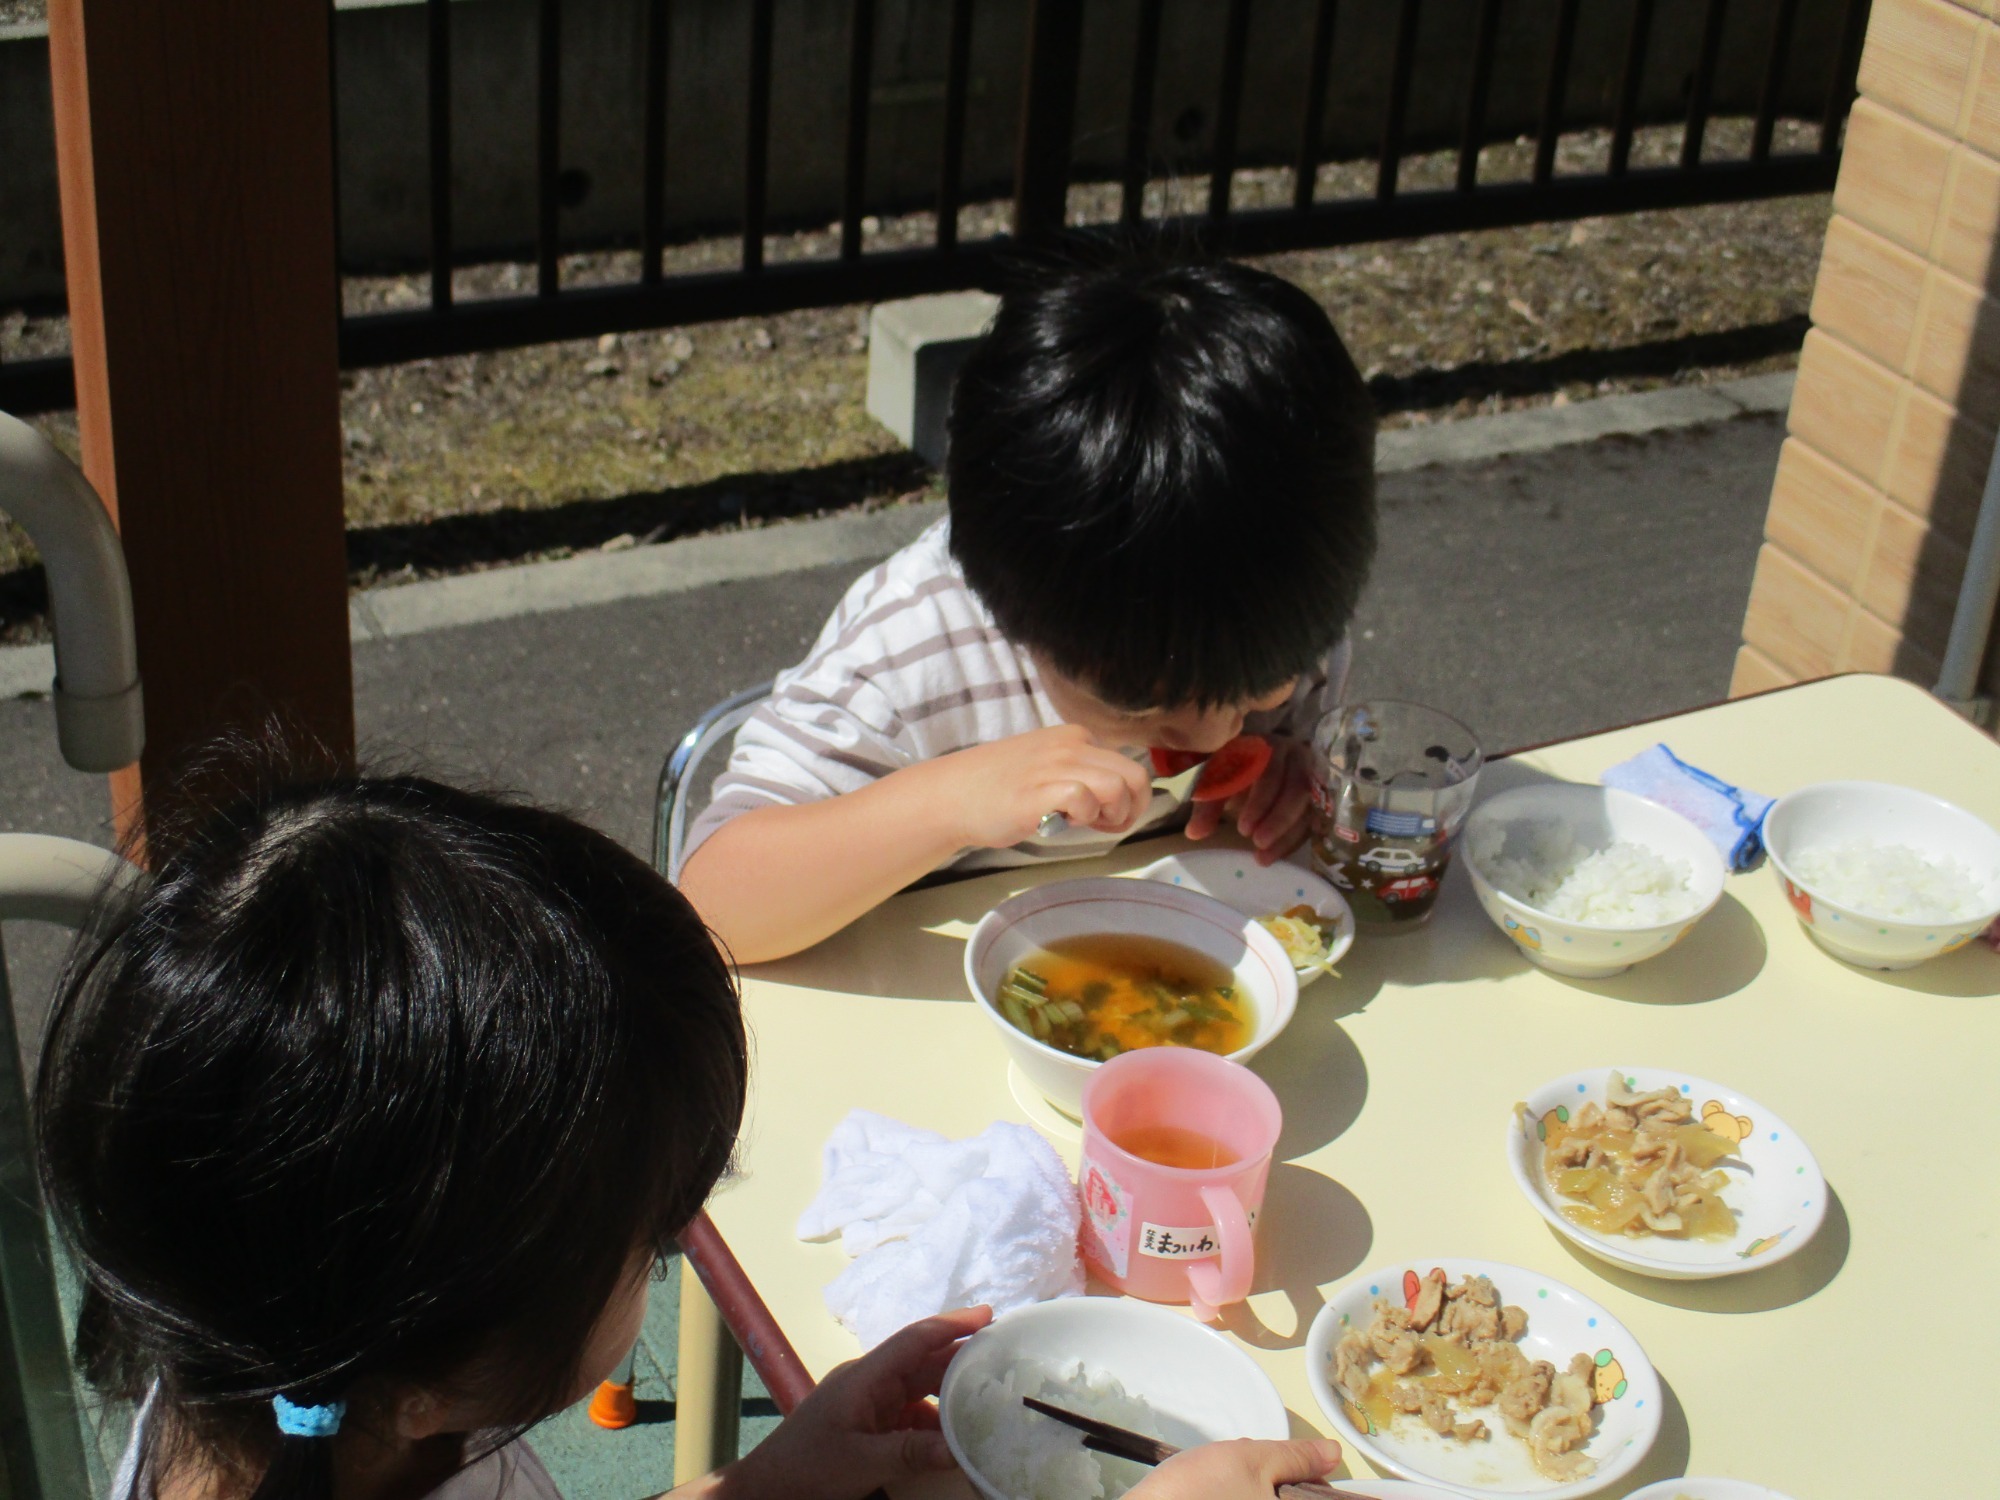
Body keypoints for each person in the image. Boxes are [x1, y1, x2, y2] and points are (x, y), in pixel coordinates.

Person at [35, 765, 1342, 1499]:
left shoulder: (287, 1389)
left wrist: (780, 1486)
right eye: (650, 1248)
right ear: (429, 1375)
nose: (662, 1263)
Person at [679, 245, 1377, 962]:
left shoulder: (1271, 594)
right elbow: (709, 907)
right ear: (1016, 619)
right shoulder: (910, 657)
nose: (1209, 737)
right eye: (1138, 705)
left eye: (1258, 687)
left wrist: (1294, 765)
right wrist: (946, 804)